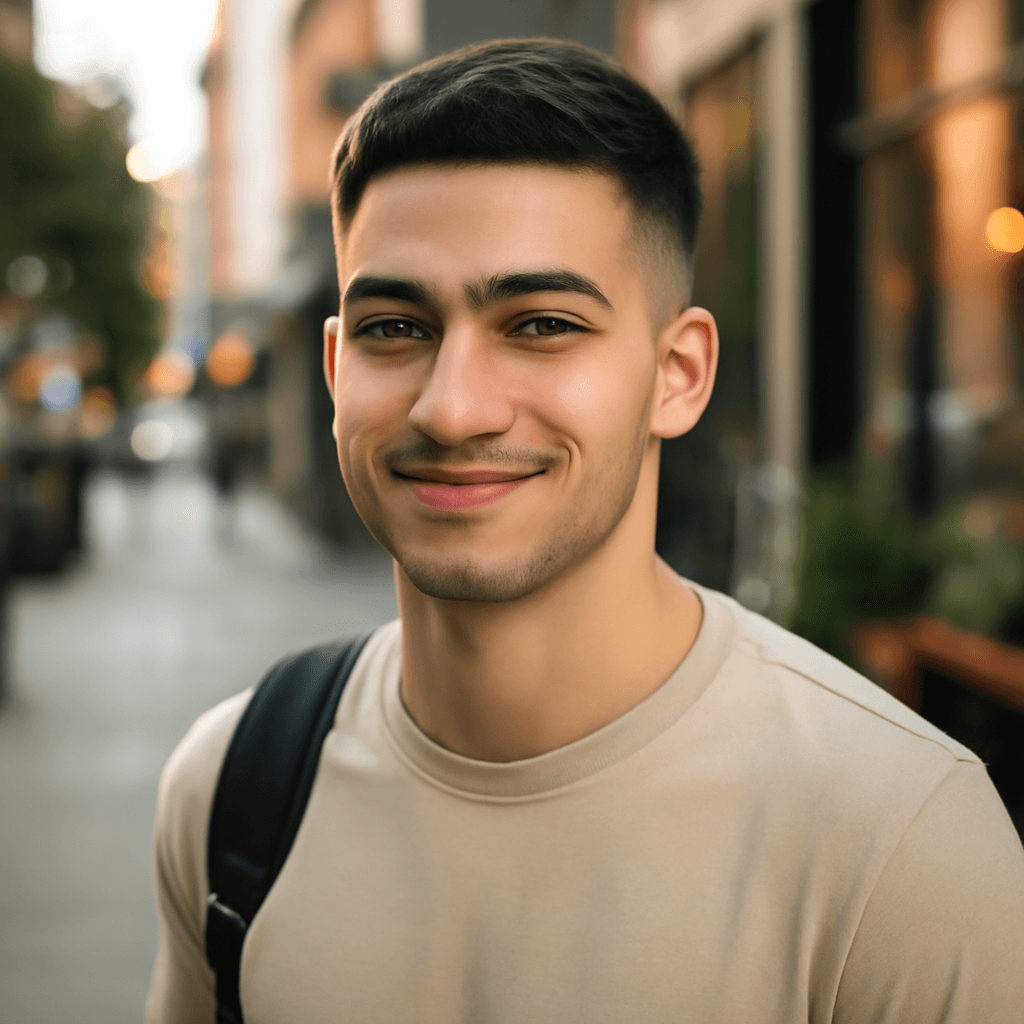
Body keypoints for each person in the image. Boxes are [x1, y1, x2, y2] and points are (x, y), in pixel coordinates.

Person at [146, 38, 1024, 1023]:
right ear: (332, 364)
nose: (452, 407)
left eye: (541, 324)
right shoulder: (238, 783)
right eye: (394, 326)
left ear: (678, 374)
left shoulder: (900, 844)